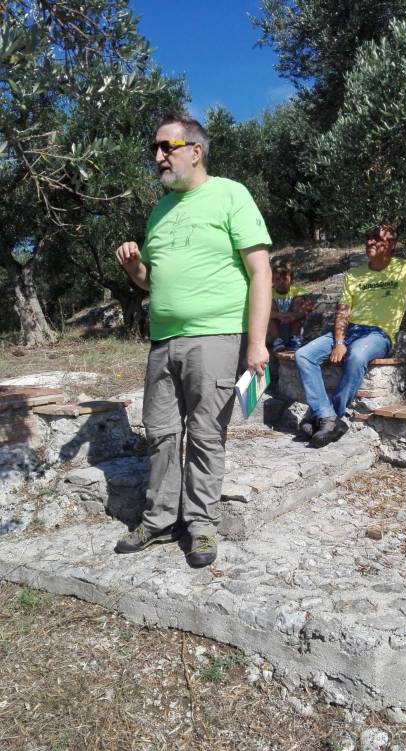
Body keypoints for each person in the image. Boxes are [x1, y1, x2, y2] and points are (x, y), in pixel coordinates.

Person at [114, 114, 272, 566]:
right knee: (161, 433)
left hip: (215, 337)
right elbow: (152, 282)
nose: (158, 156)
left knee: (205, 434)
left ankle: (201, 525)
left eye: (167, 146)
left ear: (196, 151)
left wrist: (256, 343)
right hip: (162, 341)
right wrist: (134, 267)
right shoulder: (159, 211)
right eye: (154, 148)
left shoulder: (230, 194)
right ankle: (160, 520)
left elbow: (261, 272)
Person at [295, 223, 406, 447]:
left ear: (391, 244)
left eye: (376, 238)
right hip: (350, 330)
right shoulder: (354, 275)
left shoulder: (405, 268)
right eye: (368, 237)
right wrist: (339, 341)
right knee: (303, 355)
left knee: (356, 356)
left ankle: (326, 417)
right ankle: (326, 415)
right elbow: (343, 311)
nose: (370, 241)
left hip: (378, 334)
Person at [268, 259, 313, 352]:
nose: (281, 282)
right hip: (276, 324)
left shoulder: (296, 290)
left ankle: (293, 338)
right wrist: (278, 315)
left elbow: (308, 308)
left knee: (298, 300)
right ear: (272, 280)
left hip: (292, 321)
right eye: (277, 279)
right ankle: (277, 341)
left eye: (285, 279)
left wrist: (294, 316)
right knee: (269, 307)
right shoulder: (269, 292)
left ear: (291, 280)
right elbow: (263, 313)